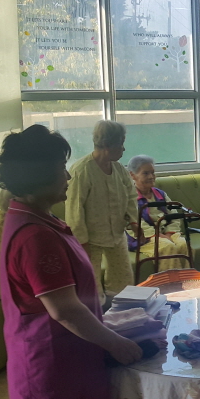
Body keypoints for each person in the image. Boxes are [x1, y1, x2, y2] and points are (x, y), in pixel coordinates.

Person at [0, 125, 142, 399]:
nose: (68, 176)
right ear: (39, 175)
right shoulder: (35, 235)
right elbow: (65, 310)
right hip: (48, 363)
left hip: (59, 357)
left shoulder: (38, 220)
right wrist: (116, 344)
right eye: (61, 168)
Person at [65, 120, 138, 304]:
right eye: (121, 144)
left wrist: (134, 221)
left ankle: (124, 314)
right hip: (89, 240)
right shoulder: (82, 171)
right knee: (91, 285)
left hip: (117, 235)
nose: (123, 149)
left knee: (124, 281)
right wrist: (82, 243)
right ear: (107, 145)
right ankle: (97, 316)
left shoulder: (119, 170)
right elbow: (74, 209)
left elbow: (131, 195)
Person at [126, 155, 191, 272]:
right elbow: (136, 222)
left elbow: (175, 216)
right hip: (143, 237)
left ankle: (186, 279)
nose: (151, 177)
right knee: (167, 247)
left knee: (184, 245)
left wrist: (169, 233)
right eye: (145, 173)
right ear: (132, 175)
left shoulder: (160, 194)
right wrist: (159, 236)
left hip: (166, 233)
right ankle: (170, 282)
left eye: (152, 172)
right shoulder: (130, 197)